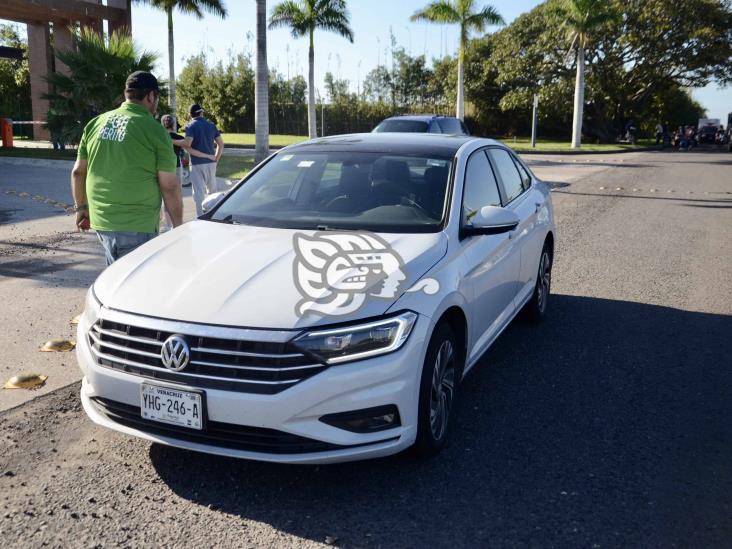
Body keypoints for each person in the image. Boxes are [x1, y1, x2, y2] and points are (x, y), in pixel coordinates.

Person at [70, 71, 183, 265]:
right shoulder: (155, 131)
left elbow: (78, 172)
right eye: (156, 98)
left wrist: (81, 208)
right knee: (135, 288)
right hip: (136, 225)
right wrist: (179, 227)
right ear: (151, 96)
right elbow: (169, 186)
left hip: (102, 223)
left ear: (126, 93)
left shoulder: (95, 124)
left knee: (117, 280)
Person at [183, 104, 225, 216]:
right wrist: (216, 159)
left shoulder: (190, 126)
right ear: (201, 113)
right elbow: (221, 144)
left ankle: (200, 217)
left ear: (190, 114)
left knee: (198, 193)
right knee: (212, 192)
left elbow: (188, 146)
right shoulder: (211, 125)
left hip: (196, 164)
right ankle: (215, 215)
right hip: (211, 164)